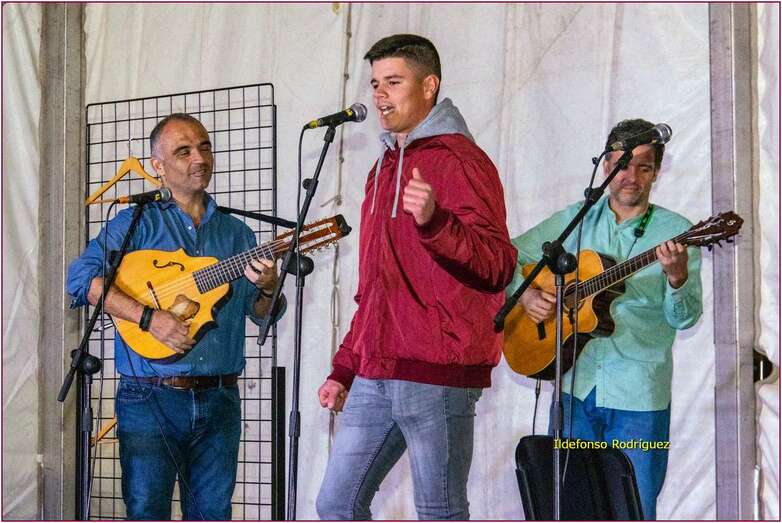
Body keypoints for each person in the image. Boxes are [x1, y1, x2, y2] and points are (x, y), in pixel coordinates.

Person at [315, 34, 517, 520]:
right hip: (376, 369)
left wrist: (436, 222)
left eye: (393, 82)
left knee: (438, 511)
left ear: (429, 86)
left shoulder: (462, 160)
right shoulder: (382, 169)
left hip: (438, 372)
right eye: (375, 84)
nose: (380, 95)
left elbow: (497, 265)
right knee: (336, 504)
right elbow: (377, 287)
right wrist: (346, 367)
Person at [66, 113, 285, 520]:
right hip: (149, 396)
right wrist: (148, 318)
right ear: (158, 166)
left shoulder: (237, 235)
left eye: (204, 147)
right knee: (148, 511)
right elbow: (80, 279)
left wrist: (270, 288)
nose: (199, 158)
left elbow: (261, 314)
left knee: (213, 514)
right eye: (183, 151)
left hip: (220, 397)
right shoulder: (135, 223)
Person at [508, 118, 703, 520]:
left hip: (638, 395)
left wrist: (678, 278)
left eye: (644, 167)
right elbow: (507, 255)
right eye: (622, 165)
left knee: (634, 508)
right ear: (605, 167)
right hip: (574, 387)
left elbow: (683, 319)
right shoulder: (577, 220)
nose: (632, 177)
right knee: (572, 507)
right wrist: (526, 295)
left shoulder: (678, 232)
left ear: (656, 172)